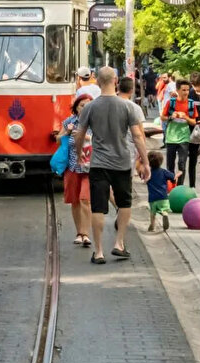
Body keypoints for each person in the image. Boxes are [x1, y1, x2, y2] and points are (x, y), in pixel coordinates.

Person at [74, 66, 150, 265]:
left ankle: (98, 252)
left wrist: (79, 152)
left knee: (98, 207)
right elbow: (137, 136)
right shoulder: (129, 107)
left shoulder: (90, 107)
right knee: (124, 203)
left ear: (97, 82)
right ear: (115, 81)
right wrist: (146, 161)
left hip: (98, 164)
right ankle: (119, 243)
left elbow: (79, 134)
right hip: (122, 163)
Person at [60, 88, 95, 247]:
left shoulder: (96, 123)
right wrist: (65, 133)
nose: (85, 108)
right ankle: (79, 233)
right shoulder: (69, 122)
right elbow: (57, 139)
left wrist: (86, 136)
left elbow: (101, 141)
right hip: (72, 166)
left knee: (85, 199)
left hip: (89, 167)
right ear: (76, 107)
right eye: (82, 105)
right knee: (74, 200)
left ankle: (86, 233)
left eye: (88, 105)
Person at [160, 82, 199, 188]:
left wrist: (185, 117)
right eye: (183, 90)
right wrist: (171, 116)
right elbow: (162, 117)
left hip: (184, 138)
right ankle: (171, 186)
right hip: (171, 137)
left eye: (187, 90)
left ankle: (180, 187)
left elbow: (194, 122)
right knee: (170, 165)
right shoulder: (171, 103)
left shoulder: (191, 104)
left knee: (182, 164)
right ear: (177, 90)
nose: (186, 92)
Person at [145, 150, 173, 233]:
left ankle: (152, 226)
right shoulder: (164, 172)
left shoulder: (148, 173)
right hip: (163, 197)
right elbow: (172, 177)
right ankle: (164, 214)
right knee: (163, 209)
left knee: (152, 213)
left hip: (152, 198)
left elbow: (144, 178)